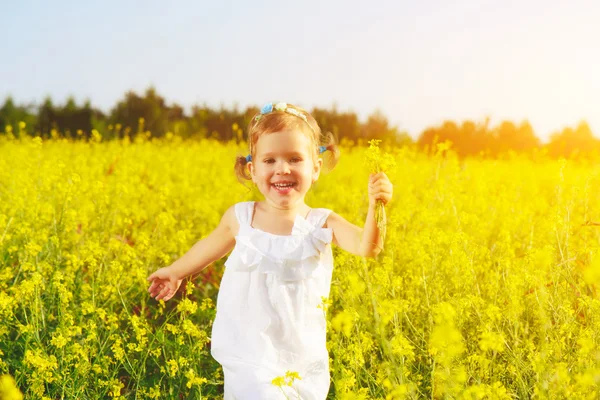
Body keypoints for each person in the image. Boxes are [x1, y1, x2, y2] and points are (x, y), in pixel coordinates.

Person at [147, 102, 393, 399]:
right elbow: (208, 248)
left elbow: (368, 247)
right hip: (249, 352)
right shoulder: (241, 218)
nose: (282, 169)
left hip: (302, 357)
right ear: (252, 169)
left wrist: (376, 205)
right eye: (270, 160)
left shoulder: (321, 223)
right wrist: (175, 272)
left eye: (294, 159)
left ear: (315, 168)